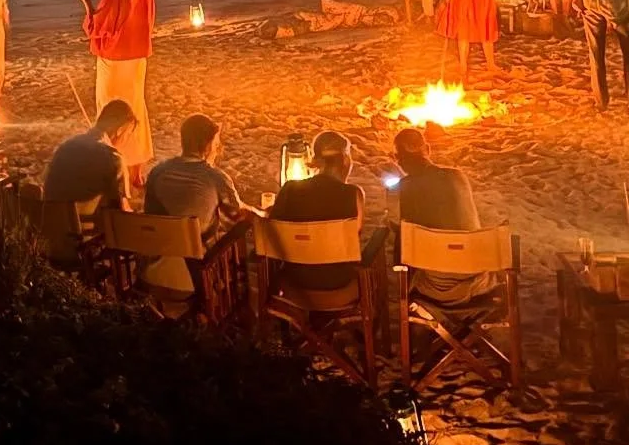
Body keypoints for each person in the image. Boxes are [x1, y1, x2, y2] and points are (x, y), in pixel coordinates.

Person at [269, 130, 384, 295]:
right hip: (338, 281)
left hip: (295, 279)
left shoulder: (289, 189)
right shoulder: (353, 194)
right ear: (345, 160)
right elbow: (354, 235)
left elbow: (274, 229)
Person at [391, 126, 492, 305]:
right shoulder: (458, 176)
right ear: (427, 150)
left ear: (398, 160)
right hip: (477, 279)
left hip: (437, 288)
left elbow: (405, 238)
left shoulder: (405, 187)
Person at [81, 0, 155, 187]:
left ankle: (112, 163)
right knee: (135, 109)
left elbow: (96, 27)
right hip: (137, 58)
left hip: (113, 60)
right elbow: (144, 20)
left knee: (110, 111)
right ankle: (136, 171)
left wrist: (87, 3)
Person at [144, 114, 246, 237]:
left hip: (160, 244)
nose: (217, 150)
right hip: (197, 250)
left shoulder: (157, 171)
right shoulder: (215, 177)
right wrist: (261, 213)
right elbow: (237, 214)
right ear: (208, 146)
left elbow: (149, 211)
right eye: (216, 145)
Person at [42, 99, 136, 211]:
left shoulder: (66, 146)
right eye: (129, 134)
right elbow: (121, 213)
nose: (127, 141)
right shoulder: (113, 158)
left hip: (50, 222)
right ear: (120, 130)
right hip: (82, 225)